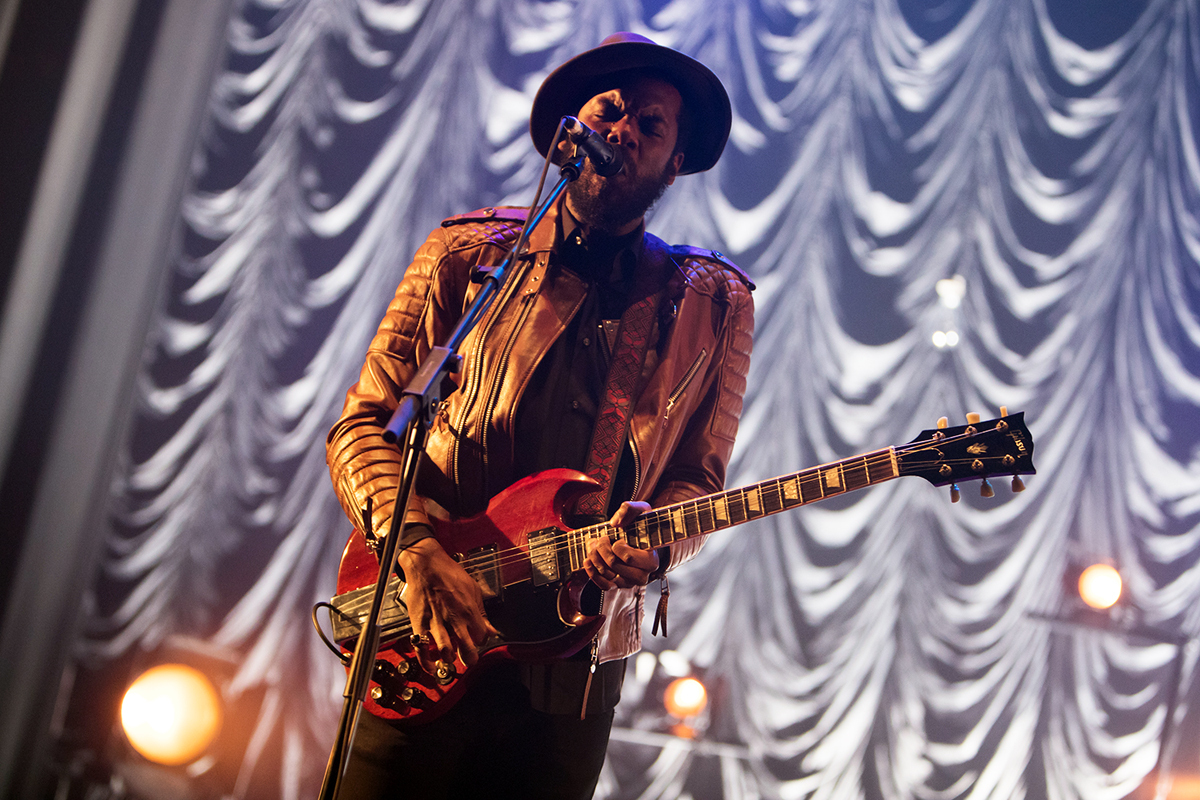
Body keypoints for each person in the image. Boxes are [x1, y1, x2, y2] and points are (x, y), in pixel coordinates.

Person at [326, 32, 754, 799]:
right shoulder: (464, 254)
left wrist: (653, 552)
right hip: (425, 630)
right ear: (571, 128)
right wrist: (417, 552)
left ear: (675, 163)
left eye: (649, 124)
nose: (623, 129)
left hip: (571, 673)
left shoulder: (712, 303)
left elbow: (700, 481)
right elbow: (365, 427)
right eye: (610, 109)